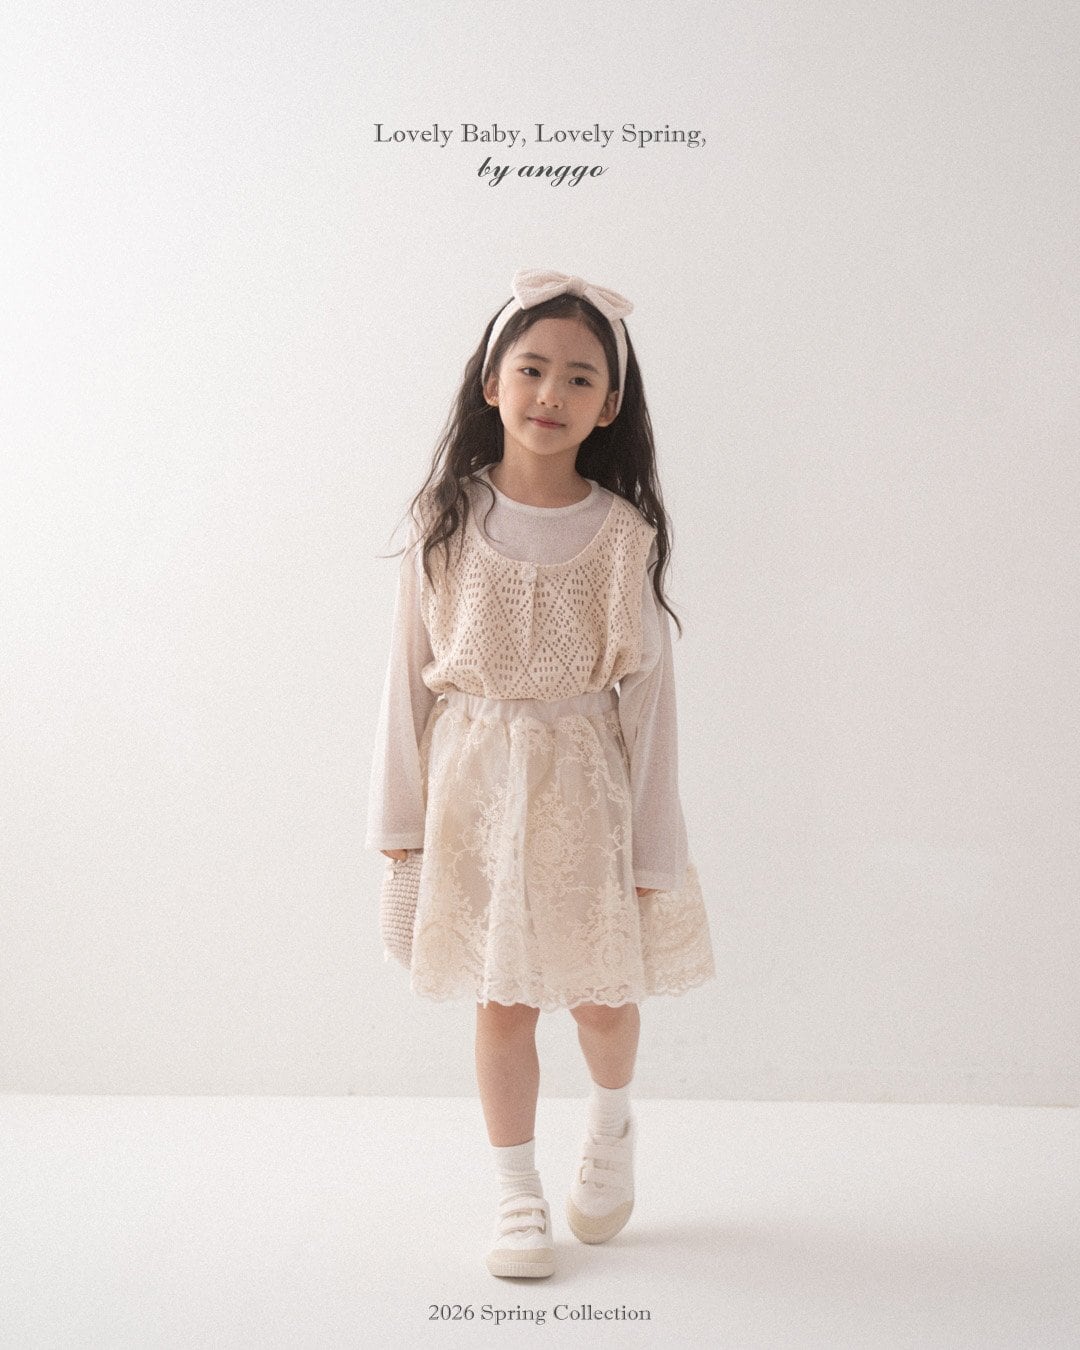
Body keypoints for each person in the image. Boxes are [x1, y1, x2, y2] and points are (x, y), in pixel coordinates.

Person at [366, 269, 715, 1279]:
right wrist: (400, 828)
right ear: (491, 383)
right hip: (472, 797)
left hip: (582, 800)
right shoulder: (443, 520)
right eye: (530, 369)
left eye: (578, 377)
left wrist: (654, 853)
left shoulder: (623, 536)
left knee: (601, 998)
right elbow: (405, 680)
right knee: (502, 1002)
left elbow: (649, 706)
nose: (550, 393)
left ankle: (610, 1125)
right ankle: (516, 1193)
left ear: (609, 405)